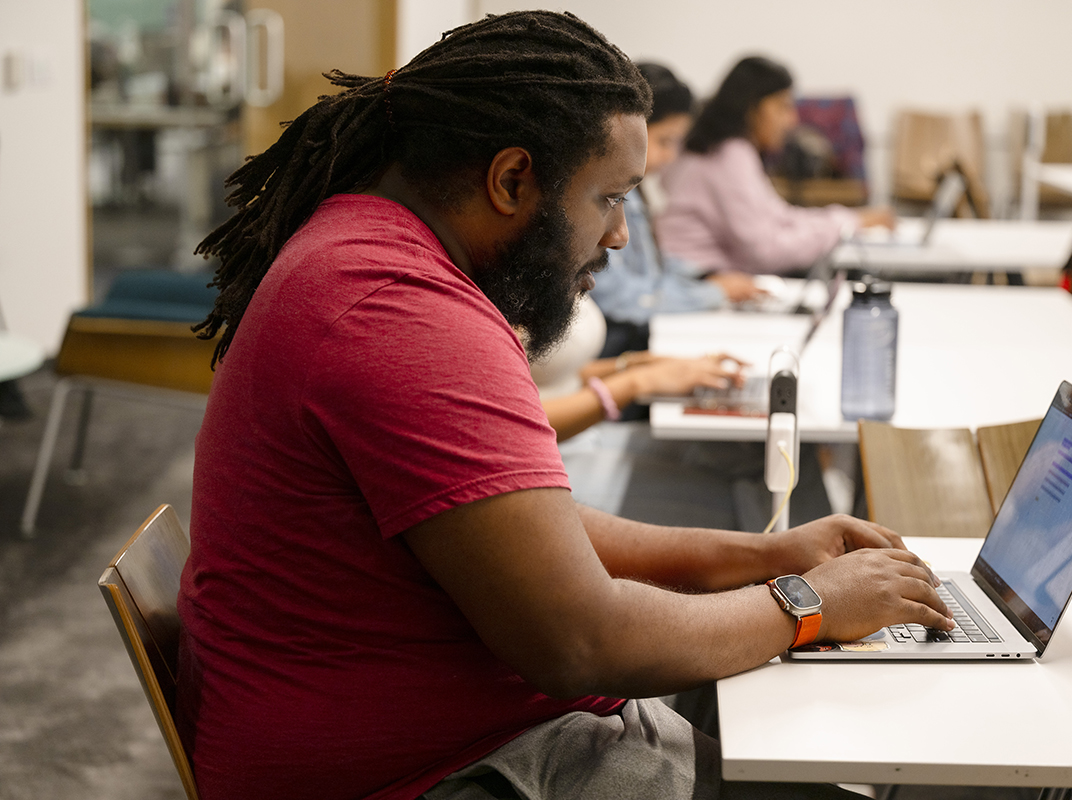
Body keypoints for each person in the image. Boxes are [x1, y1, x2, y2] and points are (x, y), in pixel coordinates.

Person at [177, 11, 953, 800]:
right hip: (439, 776)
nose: (619, 235)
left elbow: (523, 525)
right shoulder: (400, 310)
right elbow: (579, 640)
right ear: (512, 180)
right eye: (610, 198)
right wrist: (812, 602)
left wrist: (767, 558)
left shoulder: (367, 254)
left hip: (459, 746)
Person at [658, 56, 894, 275]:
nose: (792, 120)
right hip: (695, 282)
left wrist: (848, 220)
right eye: (783, 106)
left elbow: (778, 217)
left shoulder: (725, 148)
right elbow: (766, 252)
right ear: (752, 107)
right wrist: (846, 225)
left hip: (698, 278)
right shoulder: (728, 155)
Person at [590, 62, 763, 356]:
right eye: (664, 141)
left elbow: (650, 268)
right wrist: (713, 293)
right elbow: (618, 297)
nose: (670, 156)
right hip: (614, 346)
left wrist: (706, 275)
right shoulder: (601, 198)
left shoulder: (637, 193)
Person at [531, 294, 744, 442]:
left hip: (583, 438)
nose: (622, 238)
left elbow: (554, 374)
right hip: (541, 461)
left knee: (736, 463)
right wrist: (638, 381)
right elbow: (511, 424)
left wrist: (639, 363)